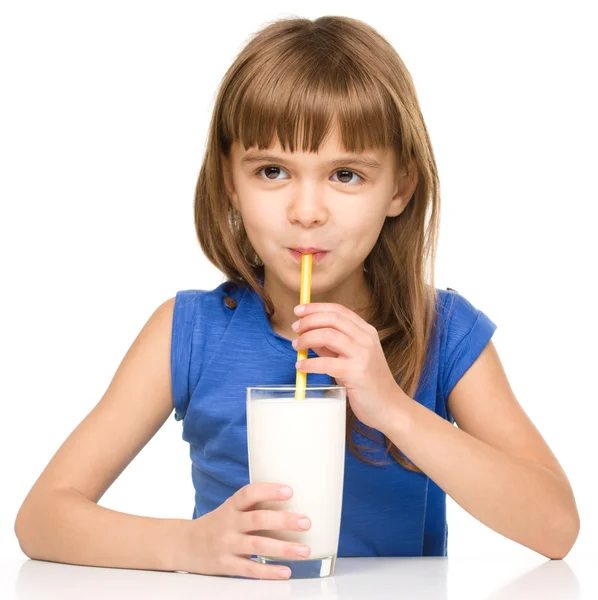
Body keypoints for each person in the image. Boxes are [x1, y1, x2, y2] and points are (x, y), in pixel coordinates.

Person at [14, 15, 579, 581]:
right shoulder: (188, 332)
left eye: (346, 175)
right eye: (273, 170)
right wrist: (186, 545)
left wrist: (393, 410)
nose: (307, 210)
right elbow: (42, 518)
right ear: (229, 182)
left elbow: (555, 527)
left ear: (400, 188)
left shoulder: (444, 333)